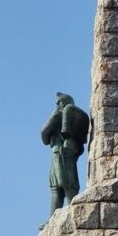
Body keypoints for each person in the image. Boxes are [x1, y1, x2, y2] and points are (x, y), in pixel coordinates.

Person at [41, 92, 89, 227]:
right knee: (56, 187)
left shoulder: (59, 115)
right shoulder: (64, 115)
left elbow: (43, 135)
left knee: (67, 183)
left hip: (62, 153)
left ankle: (76, 213)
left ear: (63, 103)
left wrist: (52, 117)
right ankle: (53, 219)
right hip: (59, 153)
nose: (56, 105)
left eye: (59, 102)